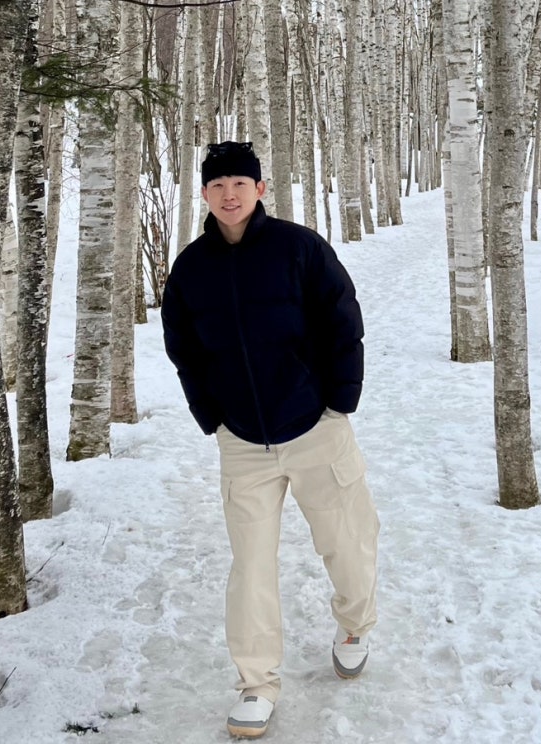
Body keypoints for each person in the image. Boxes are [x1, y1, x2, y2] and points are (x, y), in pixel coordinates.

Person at [161, 141, 379, 739]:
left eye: (240, 183)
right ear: (204, 194)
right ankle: (256, 683)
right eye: (217, 185)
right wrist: (212, 416)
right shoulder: (191, 268)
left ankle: (355, 626)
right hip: (242, 441)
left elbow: (343, 321)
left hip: (315, 428)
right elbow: (183, 349)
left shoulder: (299, 248)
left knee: (347, 542)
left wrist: (340, 403)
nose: (229, 194)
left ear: (260, 189)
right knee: (251, 566)